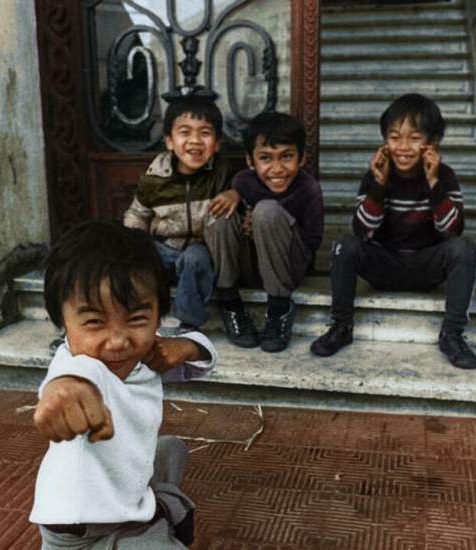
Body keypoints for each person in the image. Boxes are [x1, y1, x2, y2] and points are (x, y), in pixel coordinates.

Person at [29, 220, 218, 549]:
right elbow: (66, 383)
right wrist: (66, 394)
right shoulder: (79, 365)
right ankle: (158, 513)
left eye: (136, 319)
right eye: (94, 322)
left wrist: (185, 347)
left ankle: (155, 503)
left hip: (125, 498)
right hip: (83, 533)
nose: (117, 341)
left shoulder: (146, 358)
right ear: (62, 322)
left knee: (173, 449)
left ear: (158, 315)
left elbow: (206, 357)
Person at [309, 93, 476, 369]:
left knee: (465, 248)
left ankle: (452, 334)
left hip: (426, 267)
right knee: (345, 245)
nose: (403, 147)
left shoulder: (444, 176)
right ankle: (341, 326)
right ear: (384, 143)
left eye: (414, 138)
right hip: (385, 265)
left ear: (432, 144)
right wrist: (378, 185)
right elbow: (363, 232)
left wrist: (434, 183)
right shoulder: (377, 174)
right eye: (394, 137)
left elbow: (452, 231)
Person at [205, 112, 324, 352]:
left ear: (301, 158)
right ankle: (231, 303)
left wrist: (270, 226)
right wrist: (234, 196)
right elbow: (237, 199)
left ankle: (279, 309)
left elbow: (312, 242)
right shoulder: (243, 182)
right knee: (220, 216)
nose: (277, 168)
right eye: (265, 158)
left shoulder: (309, 188)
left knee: (267, 211)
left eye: (287, 157)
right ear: (251, 161)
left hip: (289, 268)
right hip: (251, 268)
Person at [123, 95, 232, 331]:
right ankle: (124, 317)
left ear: (217, 143)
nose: (195, 141)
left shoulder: (222, 174)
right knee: (123, 258)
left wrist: (236, 194)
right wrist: (134, 242)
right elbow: (138, 214)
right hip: (162, 249)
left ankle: (189, 324)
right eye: (185, 132)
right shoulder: (155, 177)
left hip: (198, 253)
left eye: (205, 133)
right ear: (170, 141)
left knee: (195, 257)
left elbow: (240, 199)